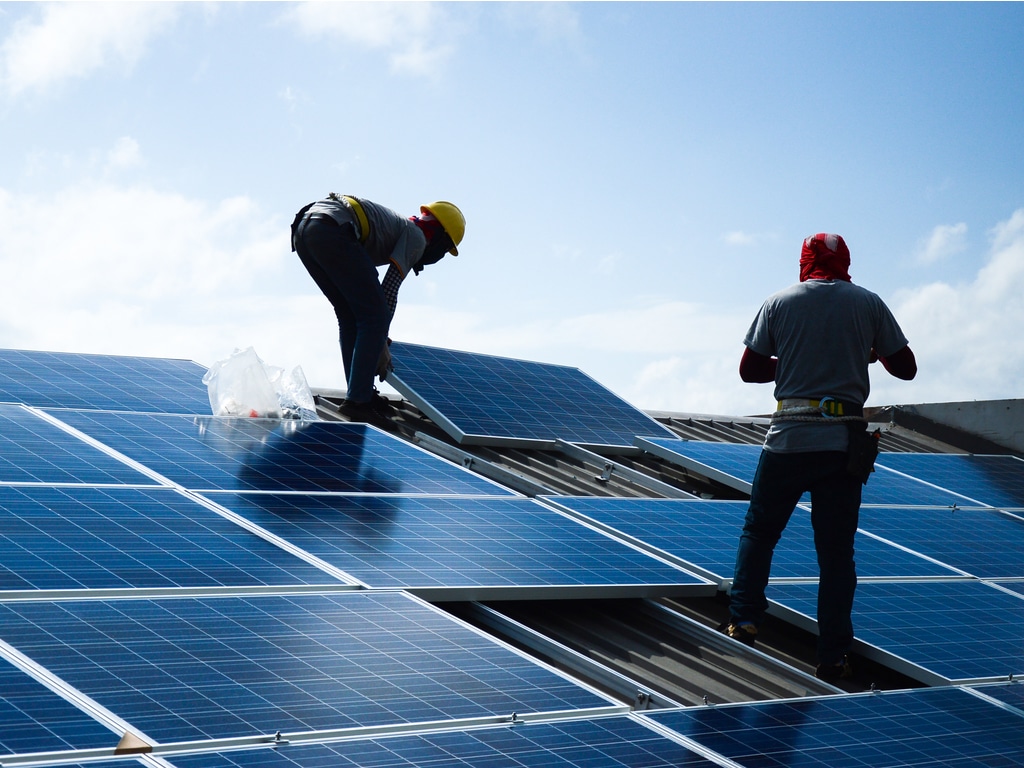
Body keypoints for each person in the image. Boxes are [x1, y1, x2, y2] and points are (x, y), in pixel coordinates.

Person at [724, 232, 917, 683]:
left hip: (788, 440)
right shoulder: (868, 303)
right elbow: (905, 367)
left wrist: (793, 359)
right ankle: (832, 654)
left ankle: (744, 618)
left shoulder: (779, 303)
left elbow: (750, 371)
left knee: (760, 532)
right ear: (845, 262)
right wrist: (859, 355)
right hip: (840, 446)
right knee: (835, 556)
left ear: (804, 261)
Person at [291, 193, 465, 422]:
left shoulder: (399, 228)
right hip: (332, 228)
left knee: (350, 315)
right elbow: (389, 290)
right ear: (441, 238)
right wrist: (381, 338)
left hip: (307, 229)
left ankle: (358, 395)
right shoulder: (417, 236)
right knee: (374, 317)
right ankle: (358, 401)